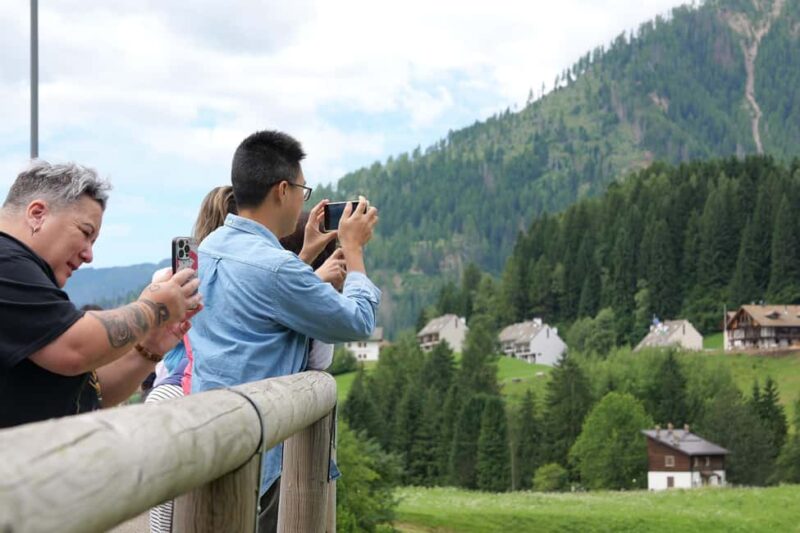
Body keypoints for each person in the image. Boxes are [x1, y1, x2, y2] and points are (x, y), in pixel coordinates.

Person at [189, 130, 380, 532]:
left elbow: (265, 295)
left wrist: (307, 250)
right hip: (261, 450)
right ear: (282, 190)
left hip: (207, 438)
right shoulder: (276, 269)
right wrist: (355, 250)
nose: (302, 200)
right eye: (302, 190)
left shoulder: (205, 251)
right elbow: (358, 320)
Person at [0, 161, 201, 428]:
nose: (88, 254)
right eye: (85, 233)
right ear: (37, 213)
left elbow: (93, 392)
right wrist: (154, 309)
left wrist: (149, 349)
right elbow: (75, 349)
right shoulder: (6, 260)